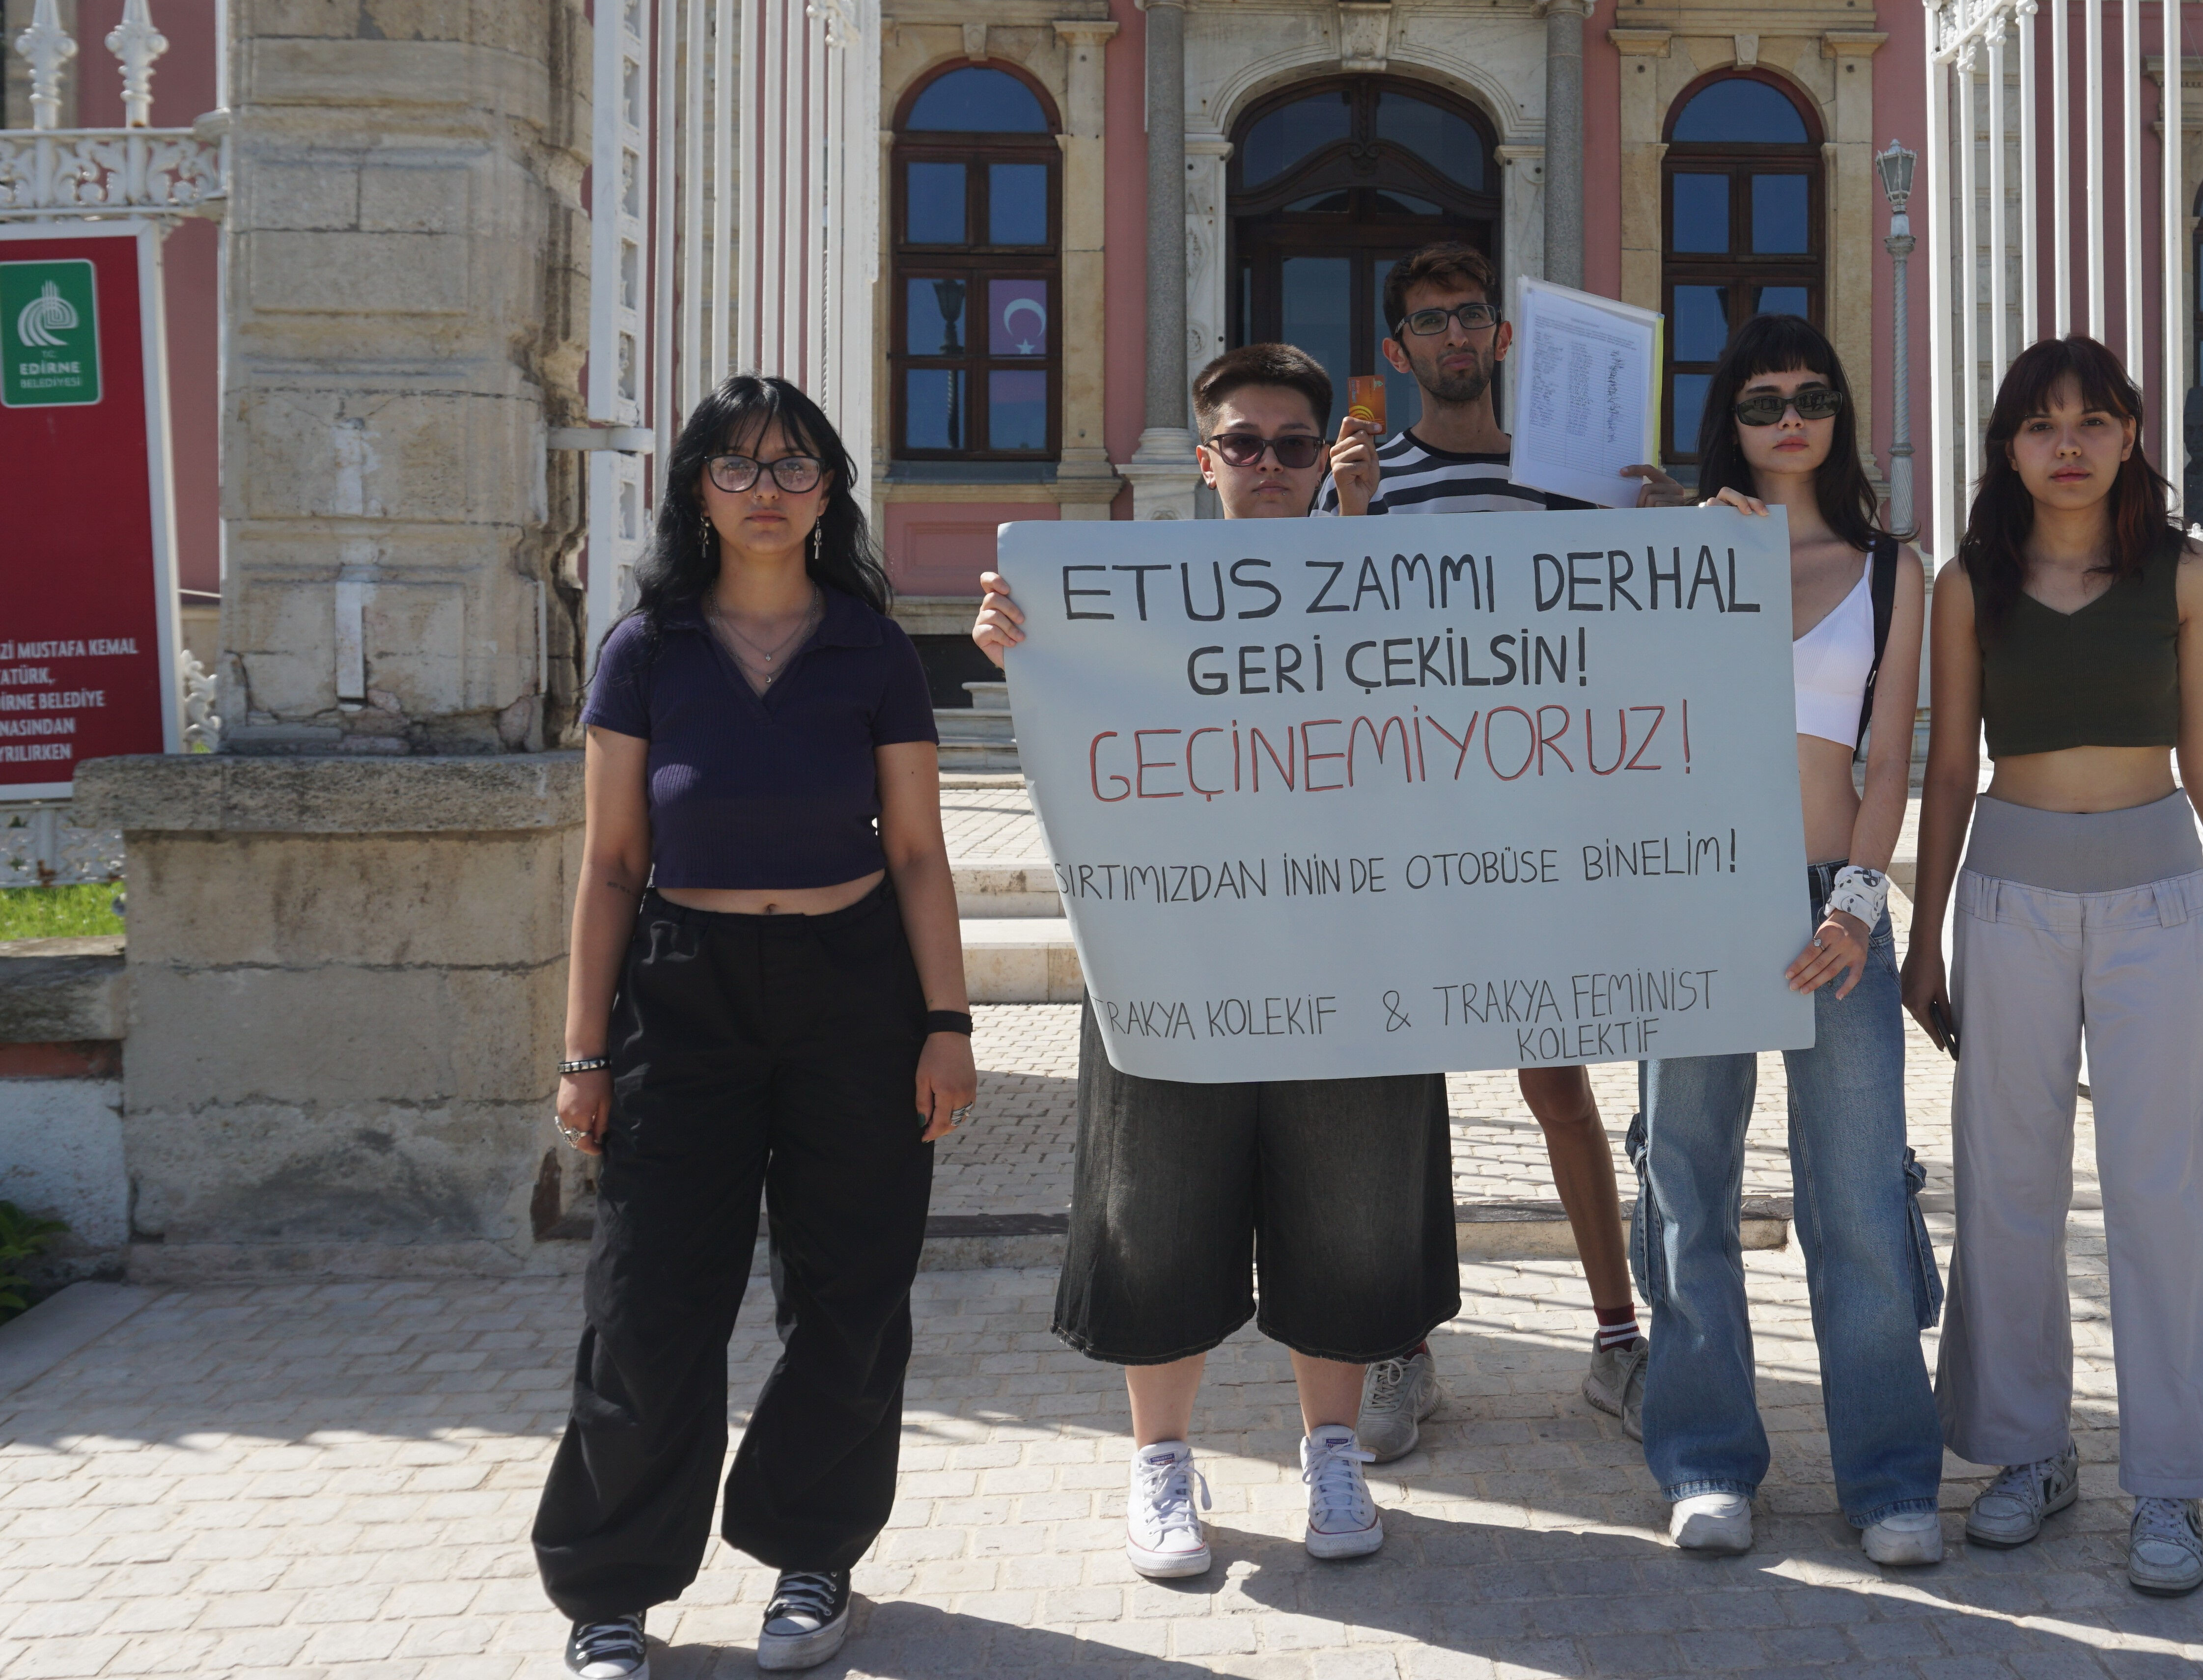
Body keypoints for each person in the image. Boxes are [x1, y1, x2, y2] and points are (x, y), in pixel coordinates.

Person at [970, 343, 1451, 1582]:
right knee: (1160, 1197)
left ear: (1328, 455)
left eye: (1298, 444)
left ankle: (1330, 1448)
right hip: (1171, 947)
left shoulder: (1390, 584)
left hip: (1348, 945)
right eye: (1247, 443)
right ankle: (1163, 1460)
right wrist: (1025, 650)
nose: (1273, 464)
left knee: (1348, 1198)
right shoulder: (1128, 596)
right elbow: (1079, 742)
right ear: (1206, 460)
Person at [534, 377, 976, 1680]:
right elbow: (610, 864)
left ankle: (811, 1558)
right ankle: (612, 1587)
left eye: (792, 466)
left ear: (831, 489)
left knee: (850, 1292)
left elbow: (919, 855)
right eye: (736, 466)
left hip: (856, 988)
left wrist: (946, 1023)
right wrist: (582, 1051)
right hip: (683, 990)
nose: (765, 490)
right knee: (651, 1301)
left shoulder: (872, 647)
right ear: (697, 491)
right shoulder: (647, 648)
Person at [1900, 335, 2203, 1597]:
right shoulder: (1969, 583)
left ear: (2134, 431)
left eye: (2094, 420)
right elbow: (1942, 770)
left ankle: (2176, 1481)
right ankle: (2027, 1451)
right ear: (2009, 448)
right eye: (2042, 425)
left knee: (2172, 1188)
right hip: (2011, 890)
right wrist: (1923, 935)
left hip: (2156, 896)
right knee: (2008, 1182)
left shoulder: (2187, 574)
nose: (2070, 444)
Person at [1311, 238, 1685, 1461]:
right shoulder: (1366, 478)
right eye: (1432, 321)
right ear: (1397, 350)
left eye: (1474, 315)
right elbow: (1309, 632)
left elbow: (1638, 617)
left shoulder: (1570, 474)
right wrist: (1347, 515)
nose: (1457, 337)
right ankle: (1397, 1347)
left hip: (1539, 831)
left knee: (1558, 1084)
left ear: (1506, 337)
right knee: (1393, 1101)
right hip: (1409, 830)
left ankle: (1617, 1337)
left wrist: (1670, 521)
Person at [1648, 312, 1946, 1567]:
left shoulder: (1892, 567)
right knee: (1687, 1182)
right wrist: (1671, 556)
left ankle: (1887, 1477)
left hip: (1837, 899)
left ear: (1839, 417)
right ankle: (1708, 1458)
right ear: (1732, 415)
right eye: (1764, 399)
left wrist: (1861, 900)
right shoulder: (1675, 553)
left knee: (1860, 1194)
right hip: (1699, 891)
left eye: (1814, 396)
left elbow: (1891, 755)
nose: (1790, 418)